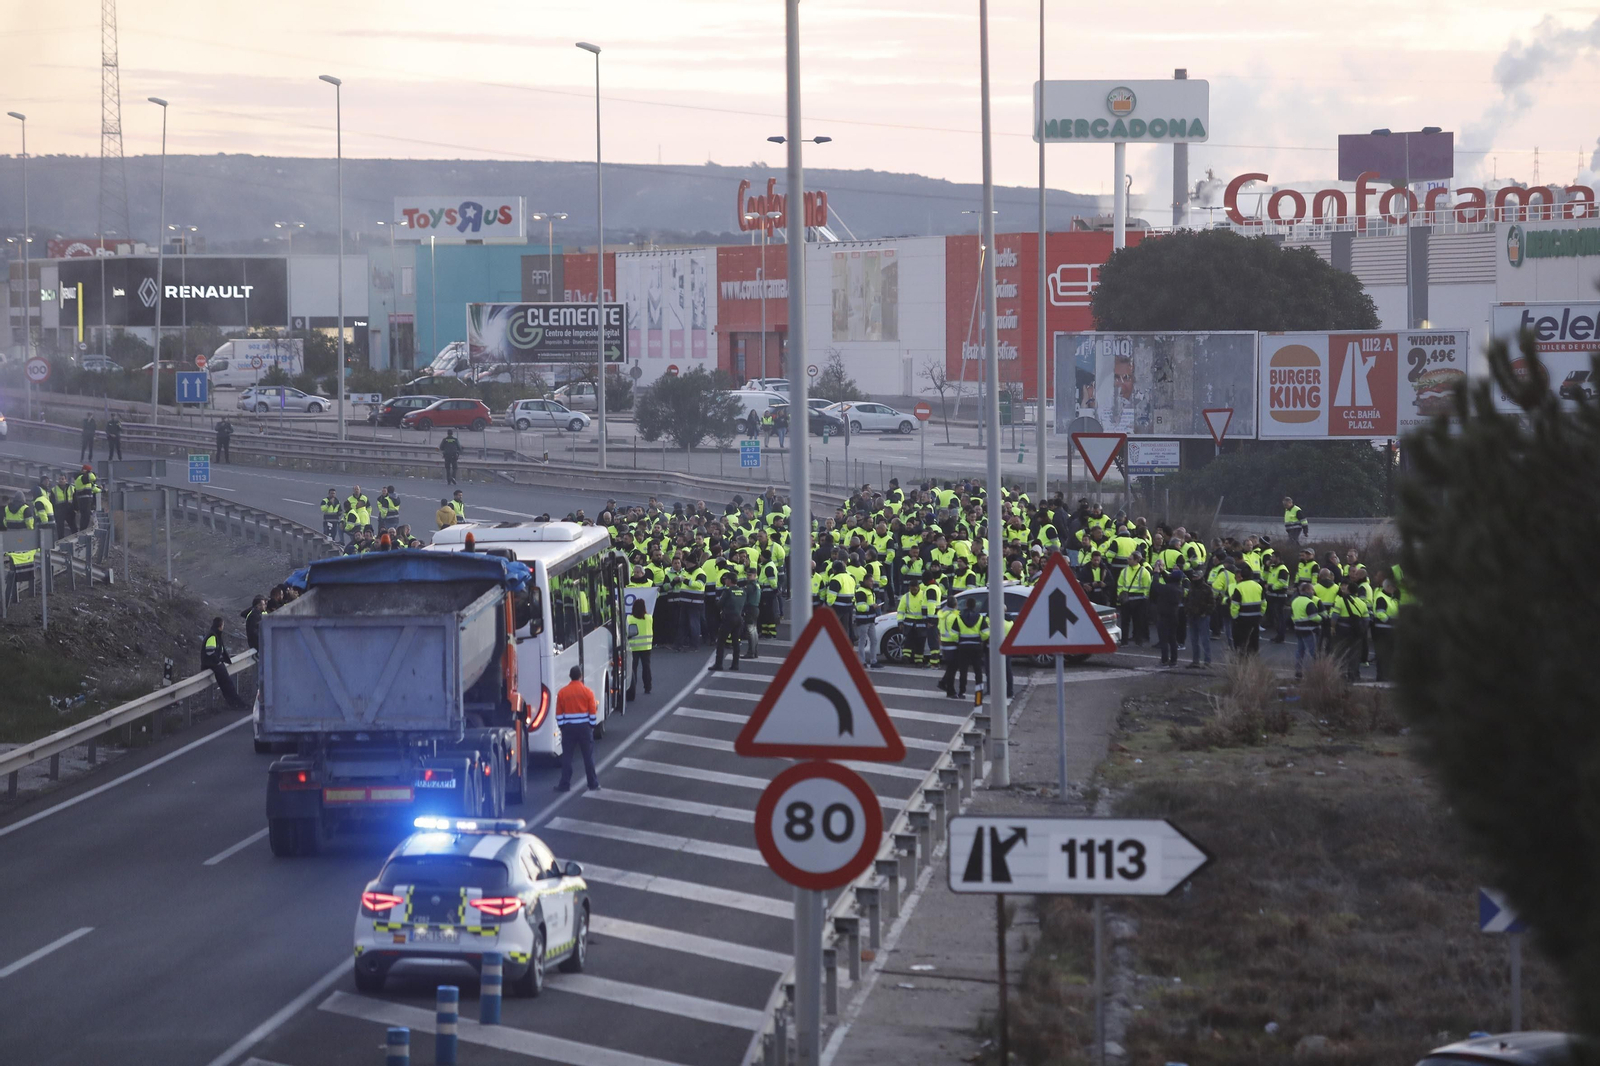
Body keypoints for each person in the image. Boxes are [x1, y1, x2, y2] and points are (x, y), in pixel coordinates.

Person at [554, 664, 600, 792]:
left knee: (567, 757)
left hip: (568, 729)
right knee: (588, 757)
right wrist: (591, 726)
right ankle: (593, 784)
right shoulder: (588, 692)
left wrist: (562, 726)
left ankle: (564, 784)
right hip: (584, 728)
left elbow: (559, 714)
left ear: (570, 676)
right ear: (581, 676)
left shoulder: (562, 693)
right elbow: (592, 712)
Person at [201, 617, 249, 710]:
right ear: (220, 626)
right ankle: (237, 704)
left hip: (215, 664)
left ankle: (235, 704)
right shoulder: (213, 636)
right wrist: (218, 662)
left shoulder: (215, 634)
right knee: (228, 685)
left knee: (226, 686)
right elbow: (210, 652)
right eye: (223, 625)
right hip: (215, 665)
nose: (223, 627)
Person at [950, 600, 989, 699]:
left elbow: (953, 634)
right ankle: (979, 694)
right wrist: (979, 639)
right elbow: (986, 633)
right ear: (975, 606)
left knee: (963, 671)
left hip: (963, 647)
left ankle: (961, 692)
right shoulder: (980, 618)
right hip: (976, 648)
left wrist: (959, 640)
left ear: (966, 605)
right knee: (978, 671)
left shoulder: (959, 618)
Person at [710, 573, 745, 671]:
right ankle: (735, 664)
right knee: (736, 642)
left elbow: (720, 604)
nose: (725, 581)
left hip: (728, 618)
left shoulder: (727, 591)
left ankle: (718, 664)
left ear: (729, 580)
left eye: (726, 579)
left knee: (721, 642)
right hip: (739, 618)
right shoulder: (742, 591)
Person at [1151, 565, 1185, 667]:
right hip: (1174, 615)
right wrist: (1162, 572)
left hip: (1164, 615)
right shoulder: (1179, 588)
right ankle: (1173, 660)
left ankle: (1164, 660)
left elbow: (1155, 585)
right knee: (1172, 639)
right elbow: (1169, 581)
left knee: (1163, 639)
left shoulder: (1167, 588)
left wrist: (1156, 573)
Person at [1229, 567, 1265, 656]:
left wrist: (1235, 618)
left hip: (1242, 619)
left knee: (1240, 643)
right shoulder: (1258, 586)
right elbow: (1264, 603)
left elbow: (1234, 605)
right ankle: (1253, 660)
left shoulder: (1239, 587)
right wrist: (1260, 615)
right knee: (1254, 642)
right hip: (1255, 619)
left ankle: (1241, 660)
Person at [1183, 565, 1214, 668]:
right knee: (1194, 640)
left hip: (1202, 617)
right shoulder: (1192, 588)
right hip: (1192, 616)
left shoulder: (1207, 589)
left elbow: (1212, 603)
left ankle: (1207, 662)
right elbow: (1187, 600)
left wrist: (1205, 613)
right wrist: (1187, 611)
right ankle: (1195, 661)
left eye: (1196, 577)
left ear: (1201, 577)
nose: (1194, 578)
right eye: (1193, 577)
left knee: (1204, 640)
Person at [1290, 580, 1321, 679]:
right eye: (1312, 590)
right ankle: (1312, 672)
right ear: (1307, 590)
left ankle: (1298, 671)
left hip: (1298, 629)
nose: (1313, 592)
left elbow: (1292, 615)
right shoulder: (1309, 602)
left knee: (1300, 651)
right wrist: (1322, 618)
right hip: (1309, 630)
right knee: (1312, 652)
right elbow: (1314, 617)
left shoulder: (1295, 601)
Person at [625, 599, 652, 701]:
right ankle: (648, 687)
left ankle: (633, 688)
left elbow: (626, 631)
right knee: (646, 667)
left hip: (634, 647)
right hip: (646, 647)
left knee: (633, 668)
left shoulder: (630, 618)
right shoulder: (649, 618)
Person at [72, 464, 100, 531]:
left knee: (86, 517)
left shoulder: (85, 480)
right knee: (85, 516)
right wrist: (89, 472)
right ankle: (82, 531)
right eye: (89, 471)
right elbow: (93, 478)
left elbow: (93, 488)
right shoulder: (82, 478)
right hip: (83, 500)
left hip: (85, 500)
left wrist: (102, 490)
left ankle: (83, 531)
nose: (90, 472)